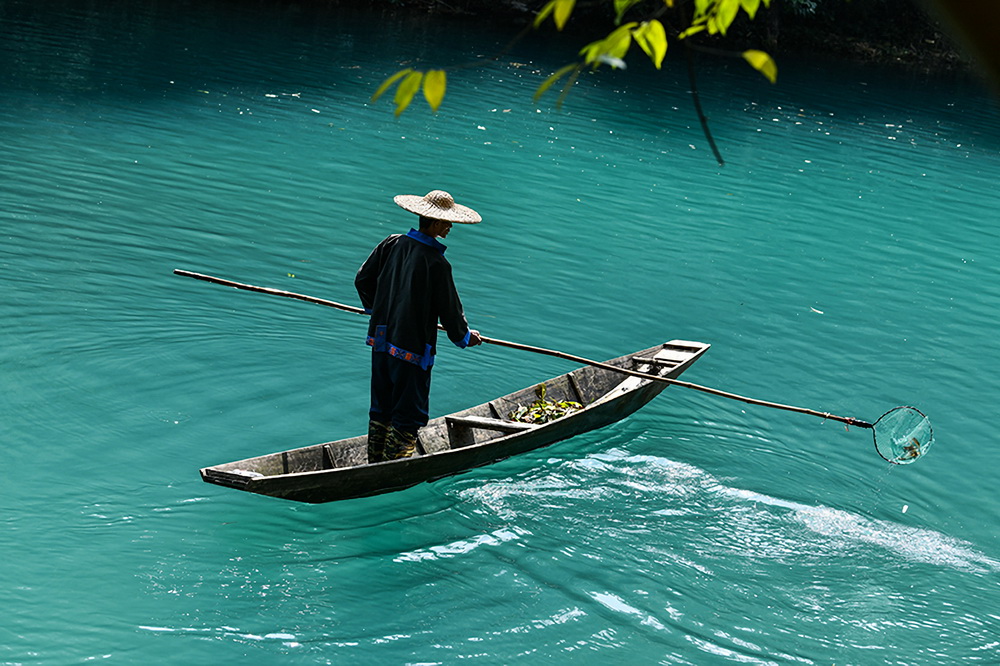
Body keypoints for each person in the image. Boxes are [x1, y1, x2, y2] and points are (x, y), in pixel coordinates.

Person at [355, 190, 483, 463]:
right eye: (447, 223)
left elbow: (363, 280)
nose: (450, 227)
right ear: (434, 223)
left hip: (380, 339)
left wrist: (377, 310)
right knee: (408, 412)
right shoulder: (437, 263)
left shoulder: (391, 243)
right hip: (411, 346)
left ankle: (374, 461)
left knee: (381, 406)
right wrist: (464, 337)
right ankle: (394, 469)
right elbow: (450, 312)